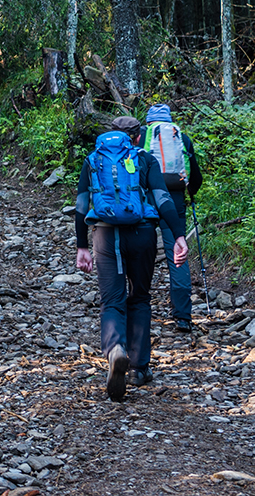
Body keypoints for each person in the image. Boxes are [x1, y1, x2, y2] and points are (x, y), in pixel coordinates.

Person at [74, 115, 188, 400]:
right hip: (142, 234)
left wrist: (81, 246)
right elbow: (162, 199)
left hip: (105, 235)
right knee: (139, 296)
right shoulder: (146, 159)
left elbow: (81, 204)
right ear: (137, 137)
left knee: (112, 300)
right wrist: (178, 236)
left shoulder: (93, 160)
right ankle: (139, 368)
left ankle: (115, 349)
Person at [139, 103, 203, 332]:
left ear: (148, 121)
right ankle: (183, 316)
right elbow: (195, 175)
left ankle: (138, 305)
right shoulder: (182, 138)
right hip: (174, 198)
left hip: (146, 196)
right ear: (169, 120)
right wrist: (190, 192)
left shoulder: (142, 135)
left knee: (141, 251)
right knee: (177, 250)